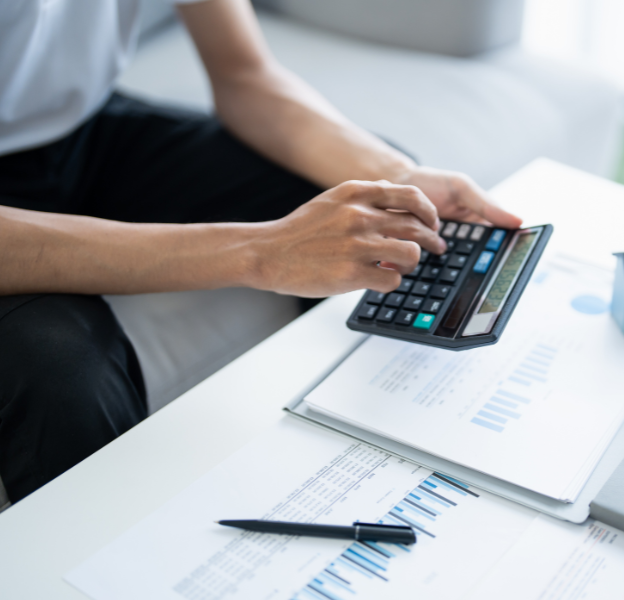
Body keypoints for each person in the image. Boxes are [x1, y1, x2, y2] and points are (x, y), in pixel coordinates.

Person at [0, 0, 522, 504]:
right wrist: (260, 252)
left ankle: (412, 438)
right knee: (61, 367)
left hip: (83, 128)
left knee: (367, 210)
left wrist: (400, 176)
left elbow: (245, 74)